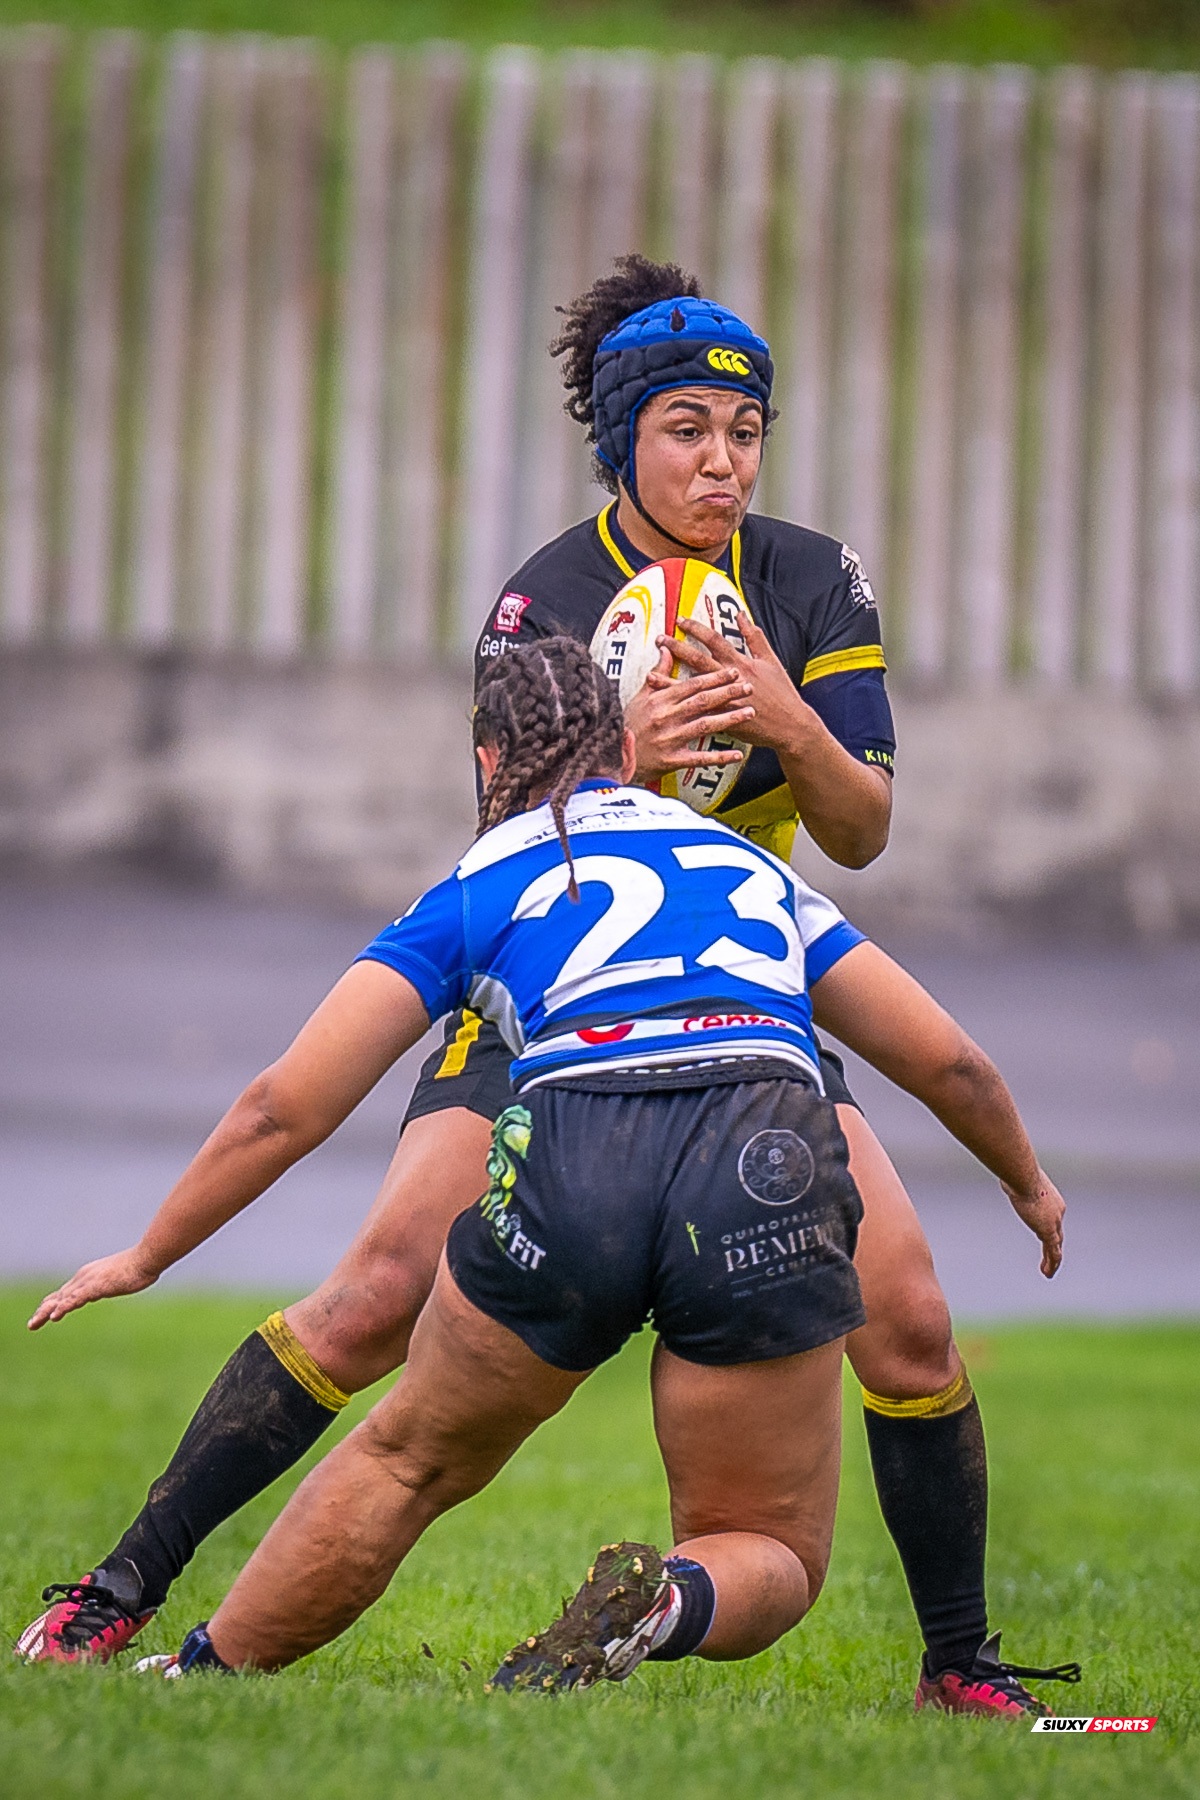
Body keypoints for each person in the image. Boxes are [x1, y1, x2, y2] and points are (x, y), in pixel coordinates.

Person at [19, 258, 1065, 1718]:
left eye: (745, 432)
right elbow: (511, 847)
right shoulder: (545, 598)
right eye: (688, 430)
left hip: (747, 978)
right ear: (625, 436)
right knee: (379, 1288)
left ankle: (961, 1668)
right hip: (552, 974)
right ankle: (114, 1591)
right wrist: (625, 745)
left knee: (911, 1322)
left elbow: (864, 831)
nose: (723, 462)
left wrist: (786, 719)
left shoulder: (812, 580)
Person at [110, 639, 1069, 1701]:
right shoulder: (747, 866)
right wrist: (1026, 1182)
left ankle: (198, 1670)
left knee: (407, 1459)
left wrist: (149, 1253)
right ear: (627, 745)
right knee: (764, 1545)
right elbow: (949, 1061)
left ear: (488, 761)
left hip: (576, 1148)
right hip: (767, 1156)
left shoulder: (485, 878)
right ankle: (662, 1604)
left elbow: (284, 1106)